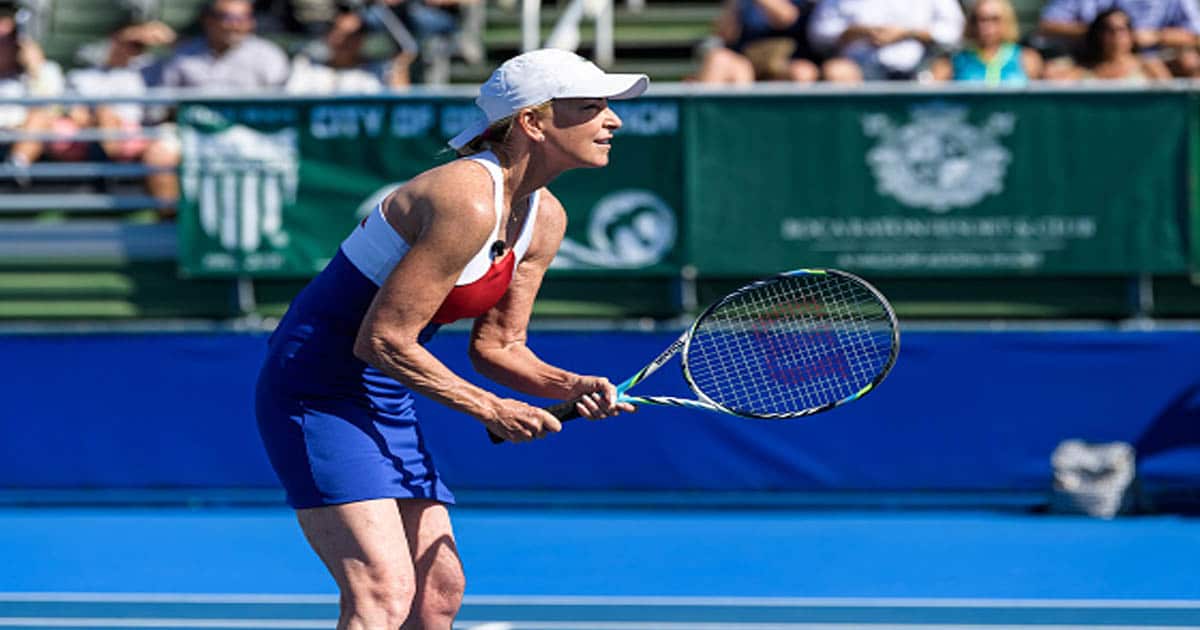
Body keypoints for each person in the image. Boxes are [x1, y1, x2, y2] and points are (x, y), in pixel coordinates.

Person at [254, 48, 641, 628]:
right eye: (590, 106)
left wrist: (573, 383)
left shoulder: (545, 218)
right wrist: (492, 409)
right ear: (533, 122)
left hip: (384, 394)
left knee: (438, 592)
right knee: (382, 592)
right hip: (316, 391)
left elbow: (499, 346)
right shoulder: (464, 196)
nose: (612, 120)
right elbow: (381, 340)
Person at [807, 0, 964, 82]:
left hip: (918, 70)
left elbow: (954, 31)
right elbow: (819, 35)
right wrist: (855, 32)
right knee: (835, 71)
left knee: (943, 69)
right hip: (859, 72)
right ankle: (847, 138)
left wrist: (907, 33)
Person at [154, 0, 289, 90]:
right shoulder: (185, 54)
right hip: (197, 129)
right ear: (208, 21)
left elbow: (281, 103)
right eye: (227, 18)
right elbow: (166, 100)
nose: (235, 25)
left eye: (243, 18)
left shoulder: (268, 54)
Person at [1037, 0, 1200, 74]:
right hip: (1088, 58)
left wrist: (1157, 36)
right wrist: (1100, 31)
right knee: (1051, 71)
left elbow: (1195, 35)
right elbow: (1047, 25)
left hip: (1154, 57)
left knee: (1190, 62)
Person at [0, 4, 64, 186]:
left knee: (40, 115)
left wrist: (35, 69)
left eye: (9, 39)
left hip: (24, 137)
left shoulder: (46, 70)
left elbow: (53, 107)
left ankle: (16, 167)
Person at [286, 7, 413, 93]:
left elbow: (404, 106)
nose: (344, 41)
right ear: (328, 36)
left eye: (352, 35)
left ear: (362, 39)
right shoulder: (306, 67)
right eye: (339, 33)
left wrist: (400, 67)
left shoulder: (378, 72)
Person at [695, 0, 820, 83]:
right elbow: (726, 36)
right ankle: (705, 121)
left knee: (802, 72)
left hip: (789, 58)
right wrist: (732, 8)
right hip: (748, 59)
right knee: (718, 59)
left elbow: (786, 17)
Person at [930, 0, 1042, 84]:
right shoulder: (955, 62)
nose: (986, 26)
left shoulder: (1027, 59)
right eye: (980, 19)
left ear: (1007, 21)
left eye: (994, 19)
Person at [1048, 8, 1173, 80]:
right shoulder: (1081, 70)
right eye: (1107, 30)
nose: (1115, 36)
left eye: (1121, 29)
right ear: (1097, 35)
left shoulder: (1150, 67)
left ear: (1131, 35)